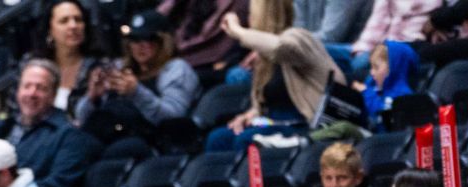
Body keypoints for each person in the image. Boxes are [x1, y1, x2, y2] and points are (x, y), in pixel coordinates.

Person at [207, 0, 346, 153]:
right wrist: (249, 115)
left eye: (252, 14)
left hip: (307, 127)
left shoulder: (300, 38)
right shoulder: (262, 55)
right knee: (218, 139)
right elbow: (265, 104)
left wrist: (238, 31)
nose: (249, 19)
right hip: (274, 123)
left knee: (248, 139)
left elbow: (279, 48)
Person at [77, 11, 201, 158]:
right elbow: (82, 119)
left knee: (122, 150)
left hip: (149, 144)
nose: (140, 46)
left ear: (163, 41)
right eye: (134, 39)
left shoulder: (175, 69)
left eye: (148, 39)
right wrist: (92, 98)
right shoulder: (119, 67)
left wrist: (136, 92)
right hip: (105, 135)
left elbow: (173, 119)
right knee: (74, 143)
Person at [0, 59, 97, 187]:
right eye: (27, 86)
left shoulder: (69, 135)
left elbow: (57, 186)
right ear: (18, 91)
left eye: (41, 88)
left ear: (53, 95)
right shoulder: (2, 127)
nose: (32, 93)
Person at [30, 0, 106, 115]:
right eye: (64, 21)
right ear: (50, 30)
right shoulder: (32, 66)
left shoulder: (98, 68)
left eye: (78, 20)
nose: (73, 26)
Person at [158, 0, 249, 76]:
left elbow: (210, 39)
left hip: (207, 62)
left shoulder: (238, 5)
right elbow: (159, 16)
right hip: (175, 52)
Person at [359, 41, 418, 129]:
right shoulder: (375, 87)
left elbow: (382, 114)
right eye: (371, 67)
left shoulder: (402, 95)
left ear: (393, 68)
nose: (371, 72)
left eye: (376, 67)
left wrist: (366, 92)